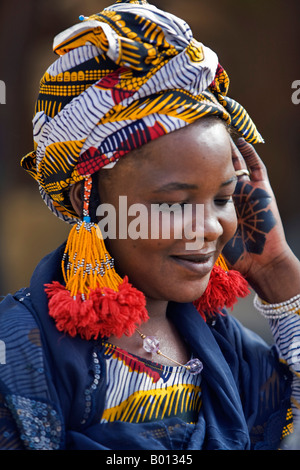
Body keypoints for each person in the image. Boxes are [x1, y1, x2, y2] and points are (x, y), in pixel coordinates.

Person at [0, 0, 300, 451]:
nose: (211, 228)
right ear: (93, 200)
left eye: (222, 198)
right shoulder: (19, 349)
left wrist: (277, 269)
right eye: (176, 204)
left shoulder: (223, 344)